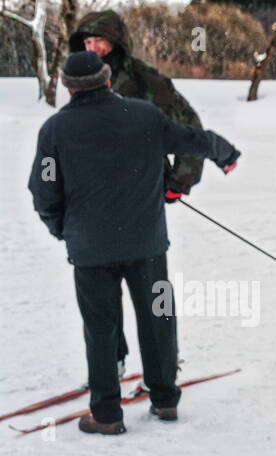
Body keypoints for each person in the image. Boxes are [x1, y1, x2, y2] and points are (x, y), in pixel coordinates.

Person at [27, 51, 241, 435]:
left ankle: (107, 414)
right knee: (158, 318)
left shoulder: (54, 131)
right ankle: (164, 400)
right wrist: (223, 152)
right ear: (107, 80)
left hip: (90, 251)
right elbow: (189, 139)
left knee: (101, 328)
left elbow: (44, 190)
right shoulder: (144, 116)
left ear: (67, 87)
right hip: (147, 247)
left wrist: (62, 228)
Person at [70, 9, 209, 379]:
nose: (93, 48)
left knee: (155, 301)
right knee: (101, 300)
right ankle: (110, 363)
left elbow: (190, 131)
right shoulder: (80, 79)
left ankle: (164, 378)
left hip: (142, 210)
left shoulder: (148, 81)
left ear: (117, 41)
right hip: (93, 210)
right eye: (86, 42)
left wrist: (178, 182)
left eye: (99, 40)